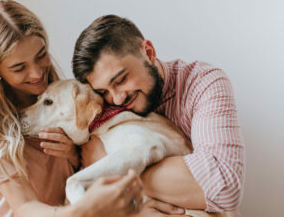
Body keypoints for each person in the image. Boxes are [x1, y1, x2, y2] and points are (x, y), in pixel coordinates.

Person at [0, 1, 143, 217]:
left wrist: (73, 155)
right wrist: (84, 210)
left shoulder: (63, 99)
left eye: (41, 56)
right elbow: (24, 207)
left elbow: (86, 166)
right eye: (19, 68)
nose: (37, 73)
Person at [72, 15, 245, 216]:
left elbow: (224, 188)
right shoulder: (101, 113)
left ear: (149, 53)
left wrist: (106, 164)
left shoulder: (203, 84)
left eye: (121, 79)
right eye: (104, 92)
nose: (117, 99)